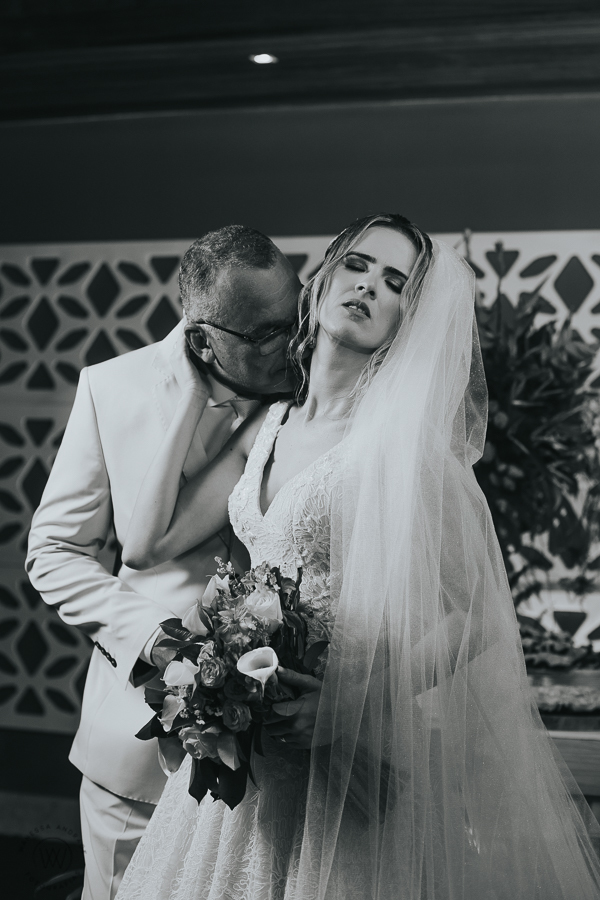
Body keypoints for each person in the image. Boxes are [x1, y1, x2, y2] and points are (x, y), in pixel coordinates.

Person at [116, 213, 600, 900]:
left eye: (397, 283)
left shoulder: (401, 447)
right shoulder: (270, 424)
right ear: (321, 280)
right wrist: (198, 392)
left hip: (346, 741)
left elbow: (476, 617)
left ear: (409, 322)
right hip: (253, 741)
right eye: (359, 265)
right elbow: (144, 544)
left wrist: (352, 701)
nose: (371, 286)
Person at [25, 225, 302, 900]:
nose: (294, 341)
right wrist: (156, 640)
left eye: (296, 315)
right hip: (140, 755)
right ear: (205, 339)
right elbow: (54, 552)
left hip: (284, 761)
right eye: (267, 333)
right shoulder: (111, 389)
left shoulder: (319, 391)